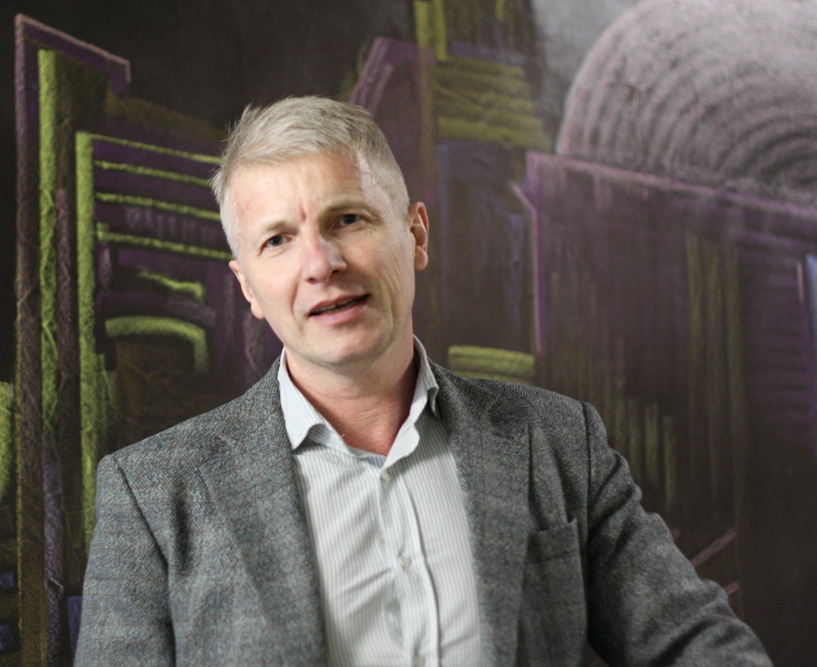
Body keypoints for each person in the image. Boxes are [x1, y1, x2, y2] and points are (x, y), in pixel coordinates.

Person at [75, 96, 770, 666]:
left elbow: (696, 644)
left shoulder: (558, 442)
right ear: (248, 286)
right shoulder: (153, 493)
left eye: (348, 218)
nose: (321, 264)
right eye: (278, 240)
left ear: (417, 235)